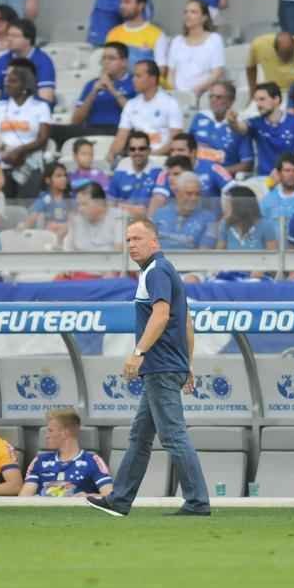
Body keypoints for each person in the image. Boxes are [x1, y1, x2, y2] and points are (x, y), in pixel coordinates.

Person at [86, 218, 211, 517]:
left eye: (138, 239)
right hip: (168, 364)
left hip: (159, 366)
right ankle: (120, 499)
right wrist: (187, 363)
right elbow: (188, 322)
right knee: (140, 437)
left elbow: (162, 315)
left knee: (173, 436)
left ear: (154, 242)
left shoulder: (156, 271)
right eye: (128, 239)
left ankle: (197, 502)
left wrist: (138, 352)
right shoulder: (163, 271)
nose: (131, 245)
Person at [0, 60, 52, 200]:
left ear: (25, 85)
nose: (7, 84)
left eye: (13, 81)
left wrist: (20, 151)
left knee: (25, 206)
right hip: (2, 162)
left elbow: (43, 138)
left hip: (30, 163)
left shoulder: (40, 107)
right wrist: (5, 149)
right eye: (7, 80)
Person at [20, 409, 113, 497]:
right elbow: (23, 497)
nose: (46, 436)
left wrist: (87, 497)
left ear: (65, 432)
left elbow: (109, 495)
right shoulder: (40, 460)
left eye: (50, 430)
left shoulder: (92, 461)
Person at [231, 82, 294, 175]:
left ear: (276, 99)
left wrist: (285, 170)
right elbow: (241, 128)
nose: (258, 104)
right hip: (264, 179)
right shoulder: (256, 122)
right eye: (256, 100)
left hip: (289, 178)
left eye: (262, 99)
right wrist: (232, 121)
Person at [110, 60, 182, 162]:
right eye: (134, 76)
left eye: (138, 76)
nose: (133, 80)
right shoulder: (131, 104)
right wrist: (111, 154)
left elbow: (175, 138)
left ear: (152, 79)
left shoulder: (170, 103)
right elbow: (121, 137)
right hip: (136, 157)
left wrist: (151, 157)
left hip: (162, 158)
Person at [188, 80, 252, 180]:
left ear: (231, 100)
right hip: (194, 175)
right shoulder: (200, 118)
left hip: (223, 178)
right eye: (211, 96)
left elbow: (247, 164)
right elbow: (186, 148)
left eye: (219, 97)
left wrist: (218, 172)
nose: (213, 100)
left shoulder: (239, 126)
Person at [0, 18, 56, 105]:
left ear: (28, 39)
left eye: (15, 36)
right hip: (5, 111)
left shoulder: (43, 61)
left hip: (33, 111)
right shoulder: (2, 60)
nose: (9, 39)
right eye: (8, 35)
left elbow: (46, 98)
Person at [165, 0, 225, 98]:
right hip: (178, 96)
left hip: (204, 95)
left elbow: (217, 73)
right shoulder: (177, 41)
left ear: (204, 18)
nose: (188, 15)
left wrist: (198, 90)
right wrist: (175, 93)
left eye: (193, 12)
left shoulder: (214, 39)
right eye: (186, 12)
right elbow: (171, 74)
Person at [216, 185, 278, 277]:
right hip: (231, 274)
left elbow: (274, 260)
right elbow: (218, 255)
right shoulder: (225, 224)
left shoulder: (265, 225)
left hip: (258, 275)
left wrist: (263, 270)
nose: (224, 207)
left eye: (228, 203)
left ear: (240, 205)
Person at [102, 0, 166, 70]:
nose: (122, 6)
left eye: (127, 2)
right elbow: (106, 67)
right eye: (121, 2)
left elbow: (161, 70)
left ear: (141, 6)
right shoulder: (113, 33)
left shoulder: (157, 35)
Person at [72, 41, 135, 129]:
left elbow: (137, 116)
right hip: (92, 133)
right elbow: (75, 121)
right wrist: (93, 93)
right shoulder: (91, 84)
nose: (106, 62)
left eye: (111, 58)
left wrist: (112, 89)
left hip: (121, 132)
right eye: (104, 58)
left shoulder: (135, 82)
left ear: (124, 62)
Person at [151, 171, 218, 250]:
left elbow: (205, 252)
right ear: (177, 193)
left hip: (191, 261)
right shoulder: (159, 214)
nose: (194, 198)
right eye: (189, 194)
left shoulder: (209, 219)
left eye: (197, 194)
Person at [108, 130, 159, 215]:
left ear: (149, 150)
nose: (137, 152)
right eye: (132, 149)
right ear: (128, 152)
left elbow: (157, 206)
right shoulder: (119, 172)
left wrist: (125, 207)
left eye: (142, 149)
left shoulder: (158, 173)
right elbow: (111, 204)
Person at [66, 181, 125, 254]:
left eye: (84, 204)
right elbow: (67, 252)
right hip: (79, 264)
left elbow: (119, 254)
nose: (80, 209)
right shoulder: (76, 219)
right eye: (78, 204)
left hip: (108, 264)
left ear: (100, 203)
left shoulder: (118, 217)